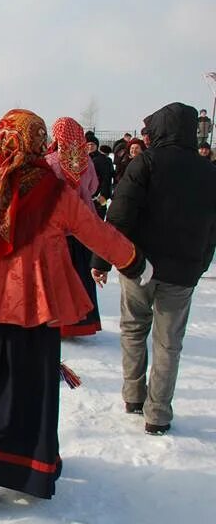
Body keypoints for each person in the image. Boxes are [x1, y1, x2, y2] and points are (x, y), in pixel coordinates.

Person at [0, 109, 148, 511]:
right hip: (35, 307)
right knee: (25, 388)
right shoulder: (56, 191)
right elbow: (96, 231)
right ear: (40, 143)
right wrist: (134, 261)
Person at [92, 102, 216, 436]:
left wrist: (102, 260)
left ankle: (134, 395)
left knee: (134, 329)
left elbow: (119, 216)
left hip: (138, 265)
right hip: (182, 272)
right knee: (169, 342)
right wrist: (200, 264)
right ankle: (158, 412)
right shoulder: (208, 171)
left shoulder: (145, 162)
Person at [45, 117, 103, 338]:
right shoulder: (87, 162)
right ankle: (82, 321)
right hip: (82, 228)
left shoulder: (51, 162)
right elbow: (94, 187)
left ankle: (60, 323)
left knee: (58, 277)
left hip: (57, 228)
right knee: (80, 274)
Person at [85, 131, 114, 218]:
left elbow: (106, 178)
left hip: (98, 196)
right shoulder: (82, 159)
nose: (90, 147)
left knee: (98, 219)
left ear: (97, 146)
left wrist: (104, 195)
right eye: (88, 144)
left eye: (92, 145)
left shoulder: (102, 159)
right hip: (85, 195)